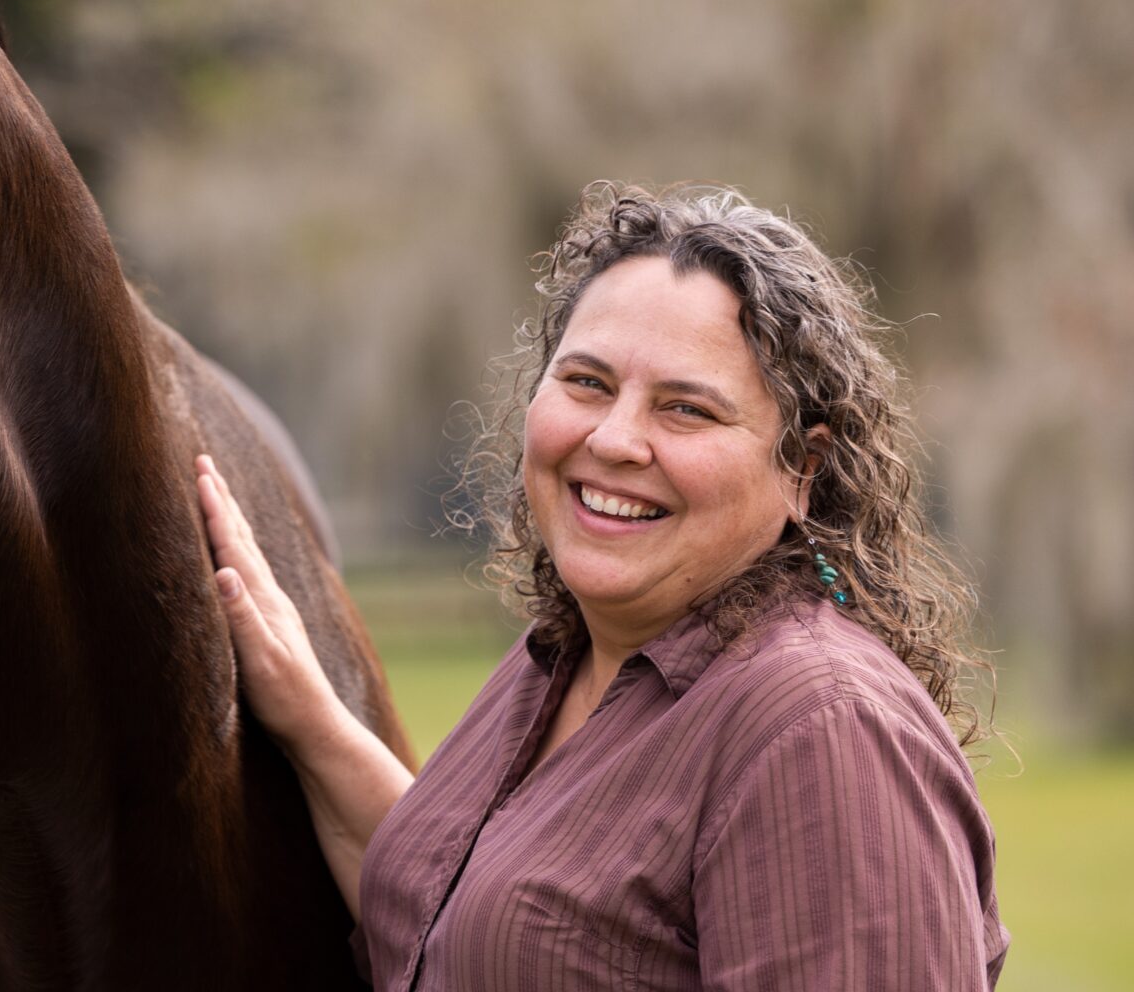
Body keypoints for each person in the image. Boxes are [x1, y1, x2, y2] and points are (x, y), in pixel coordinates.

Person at [196, 184, 1007, 990]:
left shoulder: (820, 731)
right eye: (586, 382)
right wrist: (309, 719)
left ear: (804, 467)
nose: (614, 439)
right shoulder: (561, 657)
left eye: (686, 409)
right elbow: (462, 929)